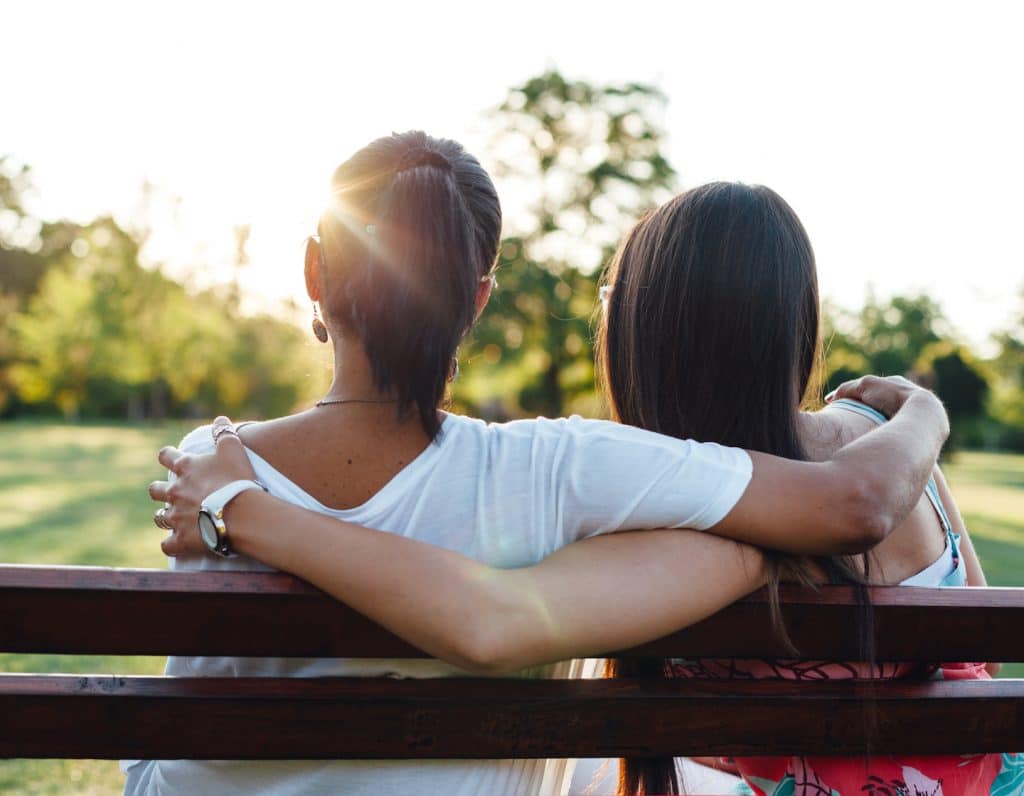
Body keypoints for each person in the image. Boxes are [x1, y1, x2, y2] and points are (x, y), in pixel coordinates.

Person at [145, 148, 952, 796]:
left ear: (316, 274)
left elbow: (488, 623)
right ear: (478, 298)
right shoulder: (563, 466)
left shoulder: (212, 461)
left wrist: (242, 507)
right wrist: (924, 412)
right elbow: (858, 501)